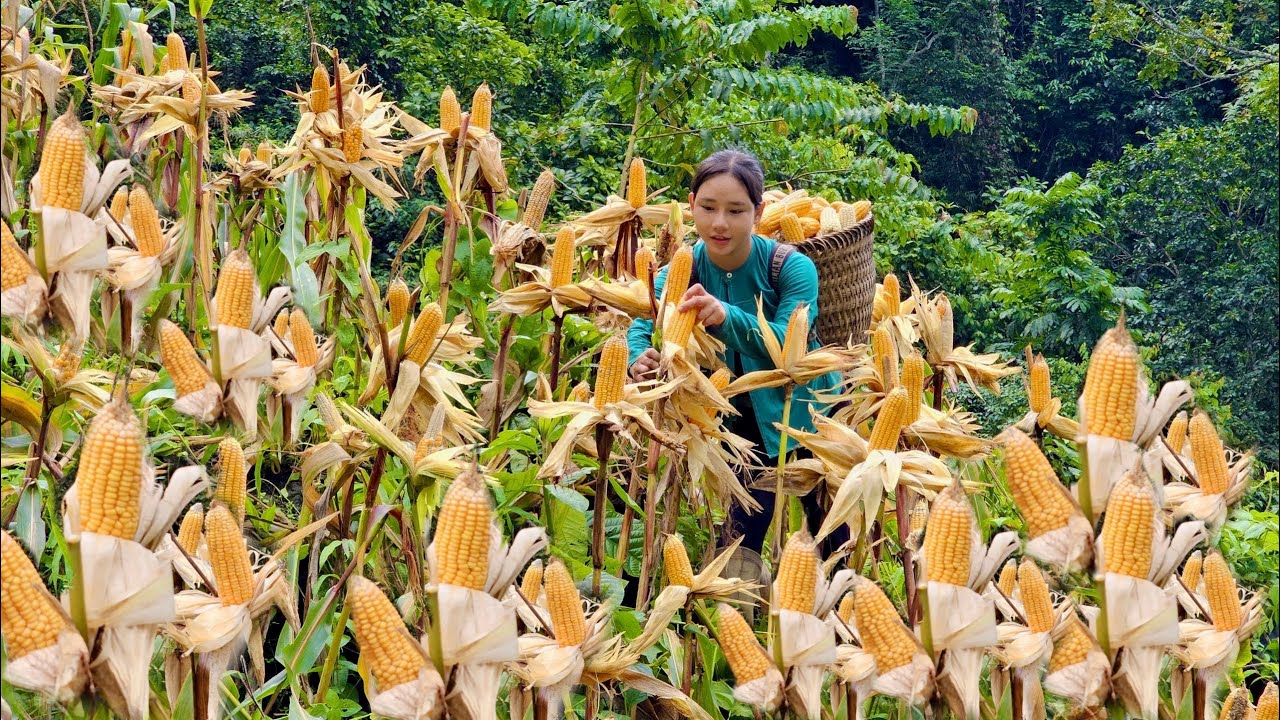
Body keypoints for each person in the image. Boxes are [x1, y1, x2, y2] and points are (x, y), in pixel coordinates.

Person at [625, 149, 841, 560]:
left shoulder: (791, 268)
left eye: (736, 211)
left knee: (831, 534)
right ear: (691, 206)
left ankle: (839, 612)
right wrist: (640, 356)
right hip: (741, 425)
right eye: (707, 208)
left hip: (809, 415)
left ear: (758, 212)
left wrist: (725, 316)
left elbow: (786, 341)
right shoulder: (681, 270)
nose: (719, 223)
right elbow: (646, 320)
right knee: (741, 540)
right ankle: (744, 615)